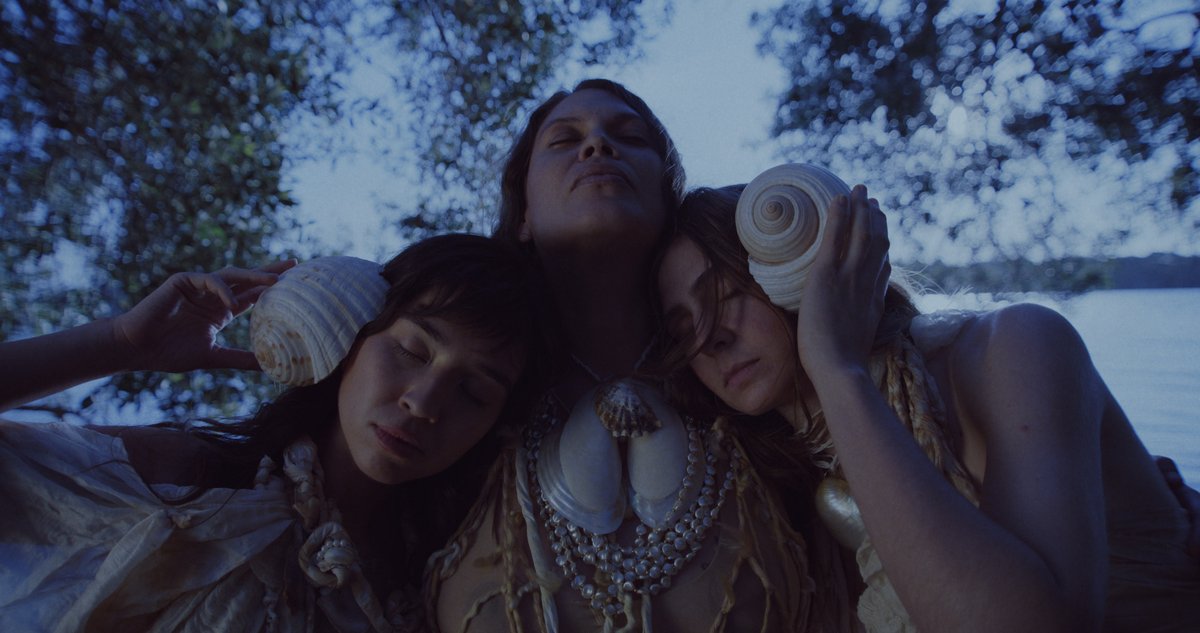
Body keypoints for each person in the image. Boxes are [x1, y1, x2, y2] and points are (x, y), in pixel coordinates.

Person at [655, 180, 1200, 633]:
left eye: (725, 296)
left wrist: (836, 368)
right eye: (685, 329)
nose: (709, 339)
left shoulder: (1013, 348)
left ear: (801, 279)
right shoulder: (781, 495)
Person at [426, 79, 857, 633]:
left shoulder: (752, 381)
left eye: (628, 136)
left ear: (665, 195)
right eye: (564, 140)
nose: (598, 146)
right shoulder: (454, 396)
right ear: (523, 212)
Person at [0, 233, 551, 632]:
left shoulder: (446, 595)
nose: (424, 402)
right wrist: (121, 343)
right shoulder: (194, 488)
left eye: (474, 393)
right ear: (353, 342)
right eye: (411, 350)